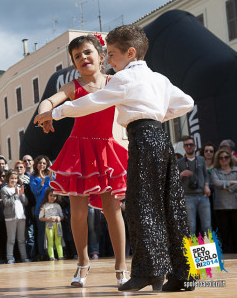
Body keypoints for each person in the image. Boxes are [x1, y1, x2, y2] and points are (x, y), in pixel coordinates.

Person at [34, 25, 194, 292]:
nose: (109, 60)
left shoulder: (120, 79)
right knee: (172, 207)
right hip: (159, 138)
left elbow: (92, 102)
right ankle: (186, 273)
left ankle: (147, 272)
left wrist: (57, 114)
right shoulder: (158, 78)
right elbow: (186, 102)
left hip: (140, 140)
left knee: (141, 207)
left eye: (110, 54)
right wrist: (154, 113)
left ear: (129, 53)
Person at [34, 33, 129, 288]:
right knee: (78, 212)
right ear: (74, 64)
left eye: (87, 52)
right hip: (78, 152)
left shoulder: (114, 82)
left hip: (106, 151)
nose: (83, 58)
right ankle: (83, 263)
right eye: (77, 56)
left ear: (101, 57)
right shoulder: (73, 86)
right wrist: (46, 113)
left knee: (112, 210)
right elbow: (50, 100)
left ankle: (121, 267)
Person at [178, 136, 211, 236]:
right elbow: (174, 180)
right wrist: (181, 174)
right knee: (191, 226)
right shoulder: (179, 162)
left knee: (207, 225)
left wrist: (206, 186)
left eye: (191, 145)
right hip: (188, 197)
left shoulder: (201, 160)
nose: (189, 147)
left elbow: (206, 175)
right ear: (183, 147)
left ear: (195, 146)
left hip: (202, 196)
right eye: (186, 145)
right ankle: (190, 250)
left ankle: (209, 250)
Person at [210, 149, 237, 253]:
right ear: (218, 160)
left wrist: (228, 187)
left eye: (226, 157)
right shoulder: (214, 171)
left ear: (230, 158)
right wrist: (233, 182)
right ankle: (227, 254)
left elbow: (221, 184)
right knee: (224, 232)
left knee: (236, 230)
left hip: (235, 204)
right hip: (220, 206)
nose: (223, 159)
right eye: (221, 158)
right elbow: (217, 183)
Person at [29, 155, 54, 262]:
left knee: (52, 232)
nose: (42, 165)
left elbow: (55, 188)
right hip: (40, 209)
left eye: (44, 163)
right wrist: (42, 182)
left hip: (52, 208)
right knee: (41, 233)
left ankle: (52, 253)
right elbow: (35, 191)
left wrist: (51, 177)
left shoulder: (50, 176)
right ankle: (42, 254)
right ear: (36, 164)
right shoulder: (33, 177)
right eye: (40, 163)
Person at [2, 170, 29, 264]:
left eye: (15, 178)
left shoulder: (19, 187)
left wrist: (21, 195)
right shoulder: (4, 189)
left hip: (21, 216)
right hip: (10, 218)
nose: (14, 180)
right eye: (12, 178)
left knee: (21, 239)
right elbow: (6, 203)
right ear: (8, 179)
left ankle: (24, 257)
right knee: (11, 239)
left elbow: (26, 202)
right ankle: (10, 258)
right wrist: (15, 195)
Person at [39, 188, 64, 261]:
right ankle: (51, 256)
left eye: (55, 196)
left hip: (58, 225)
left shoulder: (57, 205)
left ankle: (61, 256)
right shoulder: (44, 206)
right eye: (51, 195)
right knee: (50, 241)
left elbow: (62, 216)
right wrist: (48, 219)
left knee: (58, 241)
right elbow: (40, 217)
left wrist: (59, 218)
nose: (53, 197)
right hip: (49, 225)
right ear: (47, 196)